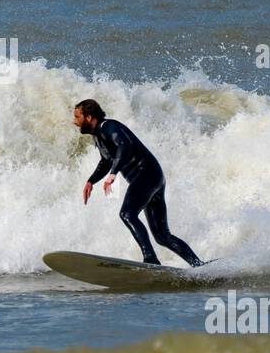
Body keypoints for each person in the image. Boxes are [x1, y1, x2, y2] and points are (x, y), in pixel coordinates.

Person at [73, 98, 204, 267]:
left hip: (146, 174)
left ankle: (150, 258)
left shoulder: (109, 126)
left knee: (127, 214)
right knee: (162, 236)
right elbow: (106, 161)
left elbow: (124, 145)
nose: (74, 122)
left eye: (77, 117)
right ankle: (199, 266)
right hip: (152, 178)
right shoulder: (98, 136)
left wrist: (113, 174)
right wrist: (91, 182)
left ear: (89, 117)